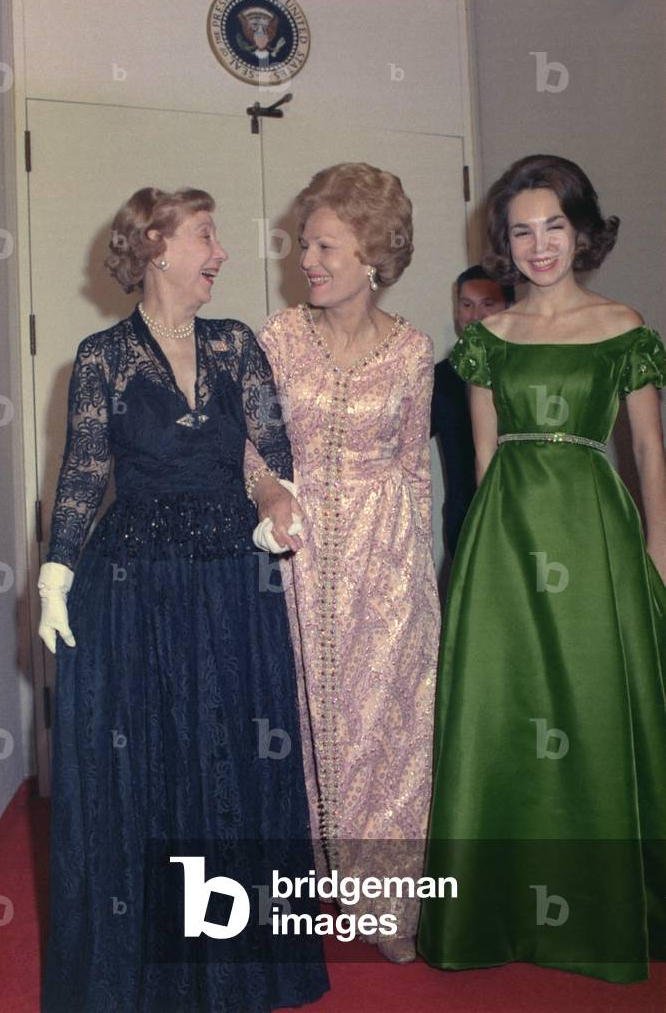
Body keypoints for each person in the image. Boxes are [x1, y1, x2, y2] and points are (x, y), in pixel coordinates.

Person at [37, 186, 328, 1013]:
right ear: (158, 246)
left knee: (232, 756)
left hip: (231, 582)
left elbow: (271, 458)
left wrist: (277, 505)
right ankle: (144, 973)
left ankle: (236, 970)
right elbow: (84, 475)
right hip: (134, 589)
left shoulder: (238, 344)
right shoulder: (100, 357)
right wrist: (57, 573)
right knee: (149, 764)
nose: (221, 254)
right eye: (207, 235)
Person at [418, 154, 666, 983]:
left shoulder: (623, 326)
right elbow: (484, 464)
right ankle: (497, 911)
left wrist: (658, 554)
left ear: (582, 230)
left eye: (552, 226)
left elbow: (647, 454)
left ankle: (604, 910)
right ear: (504, 242)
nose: (537, 246)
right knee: (503, 709)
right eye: (521, 232)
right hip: (504, 539)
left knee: (595, 705)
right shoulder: (485, 337)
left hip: (593, 533)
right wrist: (482, 567)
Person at [246, 162, 440, 963]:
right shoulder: (276, 338)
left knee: (386, 728)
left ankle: (386, 905)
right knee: (292, 721)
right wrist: (263, 492)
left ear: (372, 255)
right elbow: (247, 445)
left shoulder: (413, 351)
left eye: (325, 246)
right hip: (295, 557)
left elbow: (411, 468)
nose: (308, 261)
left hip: (384, 562)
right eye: (303, 246)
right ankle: (305, 888)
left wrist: (418, 581)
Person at [430, 266, 514, 558]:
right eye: (467, 305)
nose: (475, 315)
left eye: (487, 304)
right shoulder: (440, 378)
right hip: (464, 524)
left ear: (509, 307)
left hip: (525, 516)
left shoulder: (528, 374)